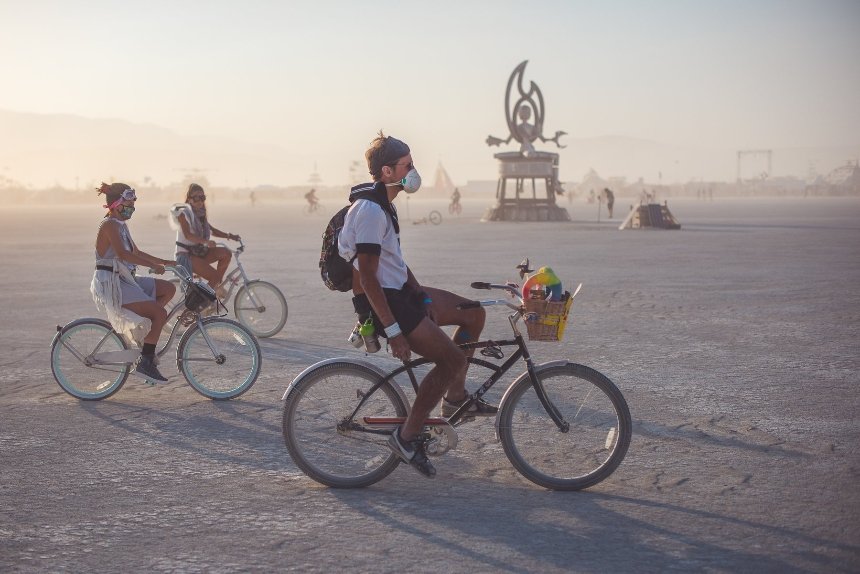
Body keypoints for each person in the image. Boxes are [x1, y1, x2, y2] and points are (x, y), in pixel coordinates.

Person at [338, 132, 493, 479]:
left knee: (473, 312)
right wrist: (394, 331)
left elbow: (393, 260)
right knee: (451, 359)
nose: (414, 171)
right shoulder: (369, 211)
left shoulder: (384, 203)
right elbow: (368, 277)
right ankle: (406, 437)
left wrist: (421, 294)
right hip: (385, 301)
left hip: (401, 290)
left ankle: (455, 398)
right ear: (388, 171)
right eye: (407, 165)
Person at [92, 182, 176, 382]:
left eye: (133, 202)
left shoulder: (121, 225)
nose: (132, 206)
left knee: (168, 289)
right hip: (113, 284)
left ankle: (145, 329)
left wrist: (164, 262)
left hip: (126, 279)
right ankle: (146, 363)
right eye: (129, 201)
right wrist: (152, 266)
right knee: (160, 313)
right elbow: (123, 254)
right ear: (117, 203)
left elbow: (135, 252)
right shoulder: (110, 224)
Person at [172, 183, 240, 298]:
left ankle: (215, 286)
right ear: (189, 199)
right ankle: (202, 300)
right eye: (196, 198)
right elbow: (188, 235)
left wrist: (229, 236)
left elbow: (212, 230)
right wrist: (206, 242)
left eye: (202, 198)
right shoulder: (183, 213)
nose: (200, 201)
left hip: (199, 252)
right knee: (215, 276)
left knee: (226, 253)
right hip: (186, 255)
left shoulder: (200, 214)